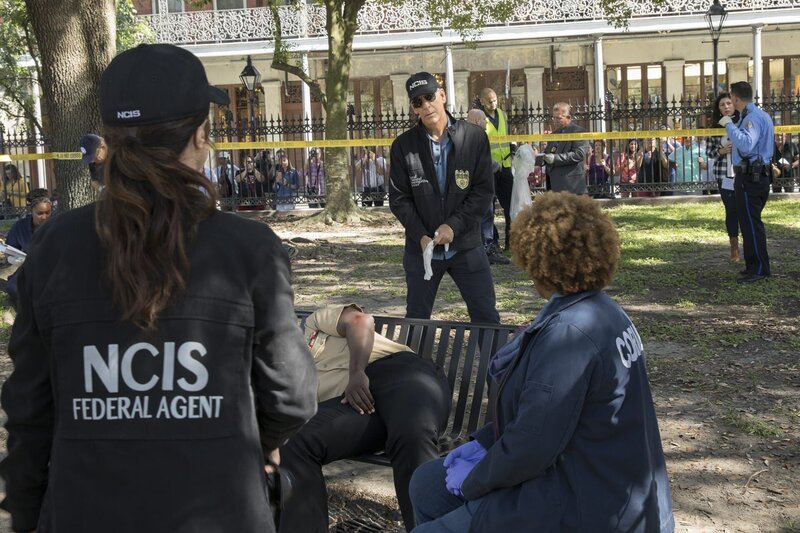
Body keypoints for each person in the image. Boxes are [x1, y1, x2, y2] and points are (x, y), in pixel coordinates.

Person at [0, 43, 318, 533]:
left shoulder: (53, 247)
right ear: (200, 134)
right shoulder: (249, 249)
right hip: (221, 510)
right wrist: (250, 442)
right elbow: (291, 395)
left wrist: (25, 516)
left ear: (108, 140)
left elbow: (29, 413)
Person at [408, 192, 675, 533]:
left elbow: (532, 445)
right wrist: (484, 443)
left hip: (584, 503)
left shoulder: (569, 335)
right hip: (601, 479)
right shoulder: (603, 311)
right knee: (427, 484)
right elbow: (548, 414)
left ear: (537, 262)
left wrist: (475, 479)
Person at [279, 304, 450, 533]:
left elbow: (360, 321)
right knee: (293, 440)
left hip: (399, 375)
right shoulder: (289, 385)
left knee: (411, 435)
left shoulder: (314, 324)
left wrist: (357, 373)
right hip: (359, 409)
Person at [389, 72, 500, 324]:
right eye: (418, 102)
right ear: (414, 108)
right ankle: (416, 354)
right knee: (416, 321)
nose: (426, 105)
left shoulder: (474, 137)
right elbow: (399, 199)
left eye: (430, 97)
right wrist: (420, 235)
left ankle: (494, 355)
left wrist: (454, 226)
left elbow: (483, 191)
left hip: (467, 245)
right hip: (422, 250)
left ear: (442, 95)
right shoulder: (403, 146)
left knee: (487, 319)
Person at [721, 81, 774, 283]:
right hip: (755, 176)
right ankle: (753, 265)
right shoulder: (760, 116)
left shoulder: (751, 118)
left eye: (731, 98)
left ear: (735, 98)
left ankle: (759, 269)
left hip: (750, 177)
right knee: (748, 222)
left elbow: (746, 145)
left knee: (751, 224)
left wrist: (729, 125)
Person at [467, 108, 509, 265]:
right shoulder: (476, 136)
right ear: (477, 121)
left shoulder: (464, 135)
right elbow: (481, 160)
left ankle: (480, 249)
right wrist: (496, 165)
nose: (486, 122)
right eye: (485, 120)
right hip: (481, 184)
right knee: (486, 216)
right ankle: (486, 250)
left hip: (473, 185)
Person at [706, 92, 741, 262]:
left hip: (743, 174)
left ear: (734, 104)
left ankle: (749, 243)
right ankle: (734, 247)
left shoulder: (742, 122)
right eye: (722, 104)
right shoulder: (714, 128)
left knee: (744, 209)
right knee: (731, 210)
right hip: (724, 176)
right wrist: (721, 151)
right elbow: (709, 152)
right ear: (718, 109)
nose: (726, 107)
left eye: (728, 103)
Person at [3, 190, 52, 309]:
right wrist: (9, 257)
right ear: (31, 211)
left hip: (53, 269)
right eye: (40, 213)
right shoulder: (21, 227)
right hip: (28, 267)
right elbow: (10, 248)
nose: (44, 217)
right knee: (13, 288)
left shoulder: (57, 224)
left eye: (48, 212)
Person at [479, 88, 513, 251]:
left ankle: (511, 241)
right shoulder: (480, 118)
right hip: (489, 168)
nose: (493, 104)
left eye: (495, 100)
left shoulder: (502, 115)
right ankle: (493, 242)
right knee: (489, 207)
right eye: (489, 101)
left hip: (505, 166)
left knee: (510, 205)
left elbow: (507, 137)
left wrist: (513, 149)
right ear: (482, 102)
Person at [536, 102, 589, 194]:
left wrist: (555, 158)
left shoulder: (579, 132)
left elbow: (578, 154)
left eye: (559, 118)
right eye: (554, 118)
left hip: (571, 186)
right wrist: (537, 158)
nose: (555, 120)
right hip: (553, 185)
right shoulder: (553, 134)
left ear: (569, 117)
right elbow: (549, 153)